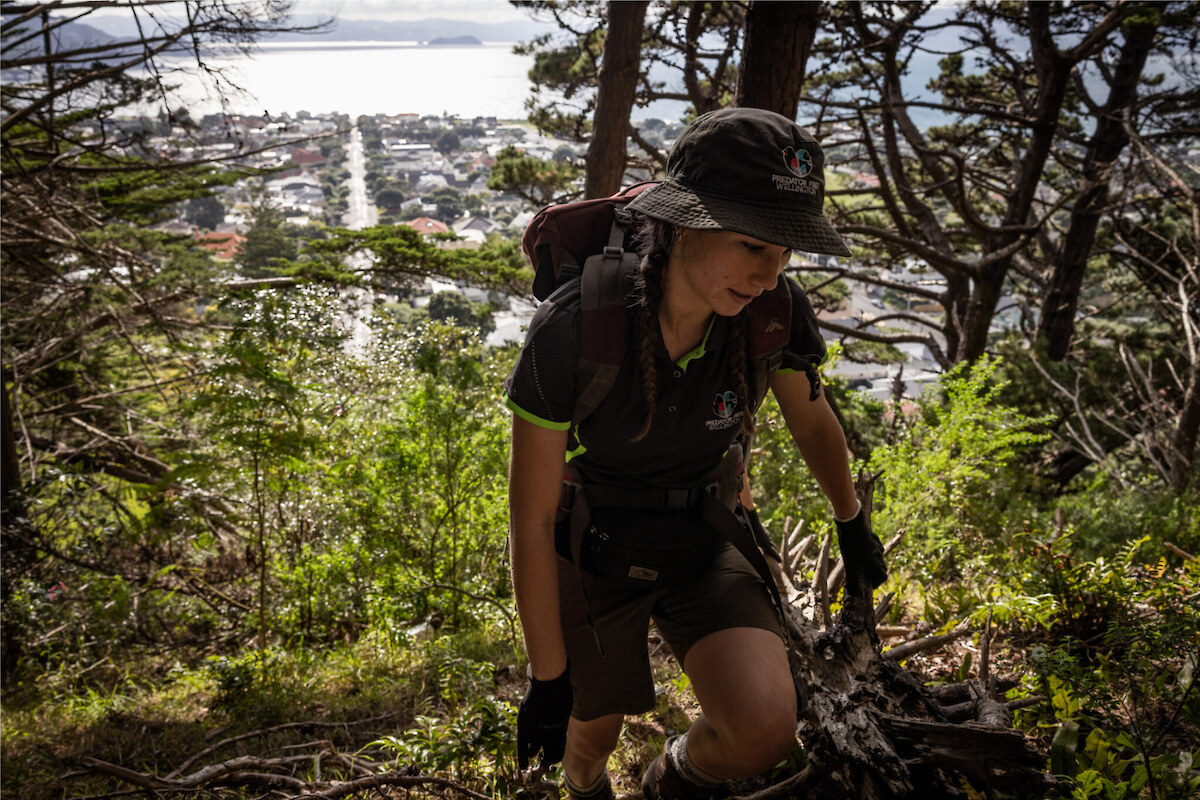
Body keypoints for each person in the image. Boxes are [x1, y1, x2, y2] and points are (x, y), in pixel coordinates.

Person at [504, 108, 887, 800]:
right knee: (591, 737)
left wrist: (850, 519)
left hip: (702, 532)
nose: (769, 277)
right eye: (751, 246)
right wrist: (547, 680)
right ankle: (587, 790)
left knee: (766, 728)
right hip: (588, 545)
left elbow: (811, 418)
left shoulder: (770, 314)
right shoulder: (575, 329)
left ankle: (668, 787)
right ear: (684, 222)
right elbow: (530, 520)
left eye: (783, 254)